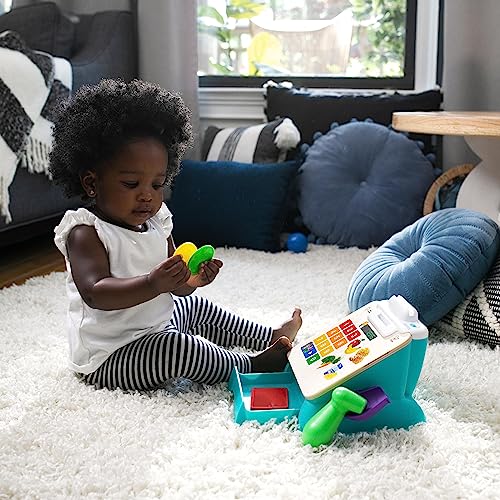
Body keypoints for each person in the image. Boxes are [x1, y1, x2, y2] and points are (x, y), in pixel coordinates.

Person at [51, 79, 302, 391]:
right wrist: (152, 283)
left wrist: (192, 281)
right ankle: (251, 366)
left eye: (157, 185)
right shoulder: (86, 232)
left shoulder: (157, 220)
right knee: (177, 349)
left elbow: (178, 287)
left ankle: (265, 335)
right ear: (92, 183)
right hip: (110, 356)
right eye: (131, 184)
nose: (146, 196)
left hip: (157, 324)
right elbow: (95, 292)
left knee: (194, 308)